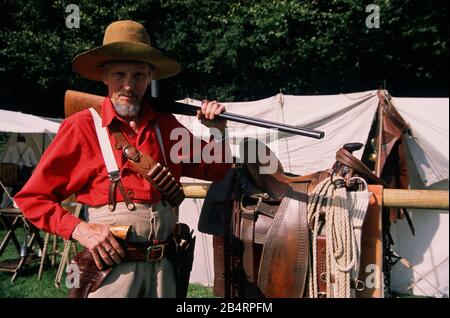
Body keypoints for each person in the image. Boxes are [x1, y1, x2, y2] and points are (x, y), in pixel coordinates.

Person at [14, 20, 231, 298]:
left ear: (150, 76)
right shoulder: (81, 127)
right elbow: (32, 198)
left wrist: (219, 132)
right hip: (111, 272)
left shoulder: (166, 126)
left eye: (139, 75)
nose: (129, 85)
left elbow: (217, 169)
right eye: (119, 74)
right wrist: (80, 229)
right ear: (103, 75)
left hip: (165, 270)